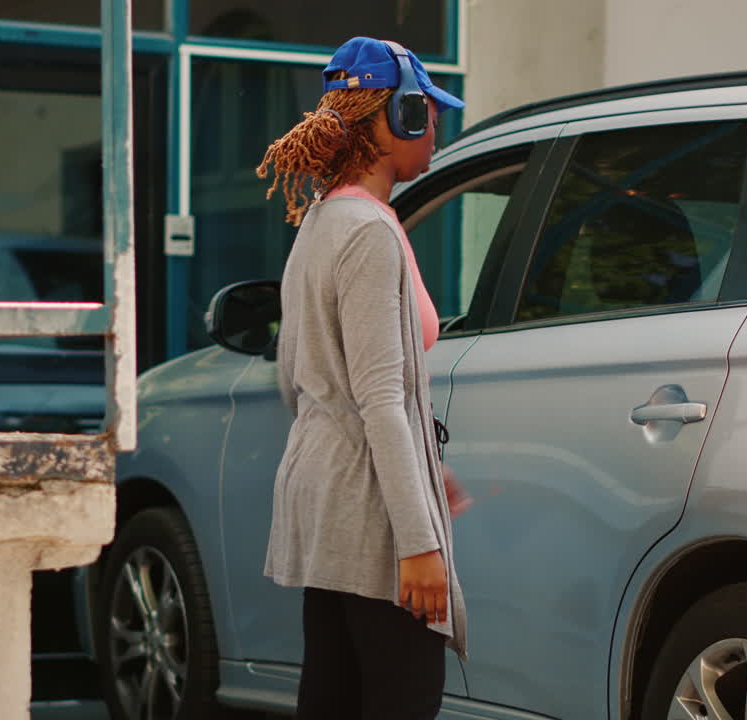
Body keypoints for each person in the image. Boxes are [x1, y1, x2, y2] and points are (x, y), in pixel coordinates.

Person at [255, 36, 468, 720]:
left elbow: (296, 377)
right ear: (396, 118)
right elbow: (381, 399)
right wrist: (419, 543)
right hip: (373, 515)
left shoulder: (321, 221)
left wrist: (423, 474)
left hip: (326, 502)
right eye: (427, 110)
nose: (436, 124)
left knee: (334, 699)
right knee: (402, 701)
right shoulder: (370, 234)